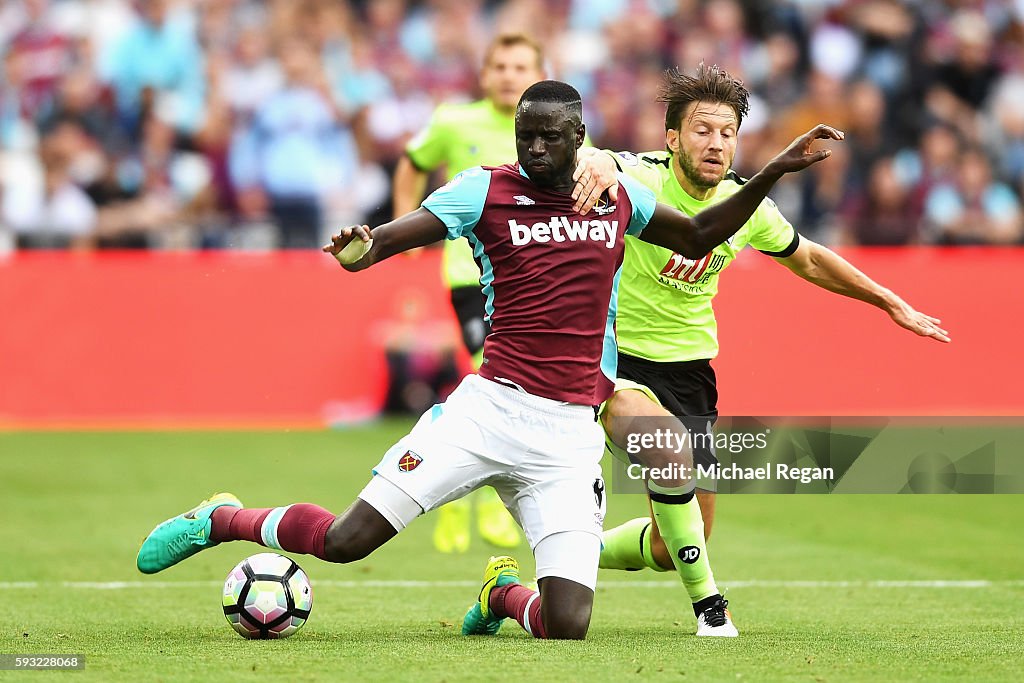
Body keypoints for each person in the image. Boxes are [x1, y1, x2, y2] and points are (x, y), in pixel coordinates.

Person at [136, 80, 842, 640]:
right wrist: (364, 245)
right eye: (525, 134)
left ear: (579, 138)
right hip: (487, 412)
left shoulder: (616, 194)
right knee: (347, 540)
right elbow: (391, 238)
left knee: (568, 623)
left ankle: (502, 594)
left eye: (550, 136)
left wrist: (776, 167)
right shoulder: (484, 188)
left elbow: (698, 236)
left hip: (568, 437)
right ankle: (223, 518)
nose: (534, 147)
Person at [568, 64, 949, 633]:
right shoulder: (640, 179)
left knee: (677, 546)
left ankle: (568, 554)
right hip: (618, 363)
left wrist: (889, 301)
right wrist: (593, 157)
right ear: (671, 138)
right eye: (702, 130)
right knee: (664, 448)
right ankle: (711, 610)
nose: (716, 142)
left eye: (727, 132)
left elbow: (811, 258)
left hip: (691, 374)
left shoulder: (745, 206)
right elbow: (595, 162)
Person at [391, 33, 548, 553]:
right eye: (499, 65)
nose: (508, 74)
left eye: (520, 65)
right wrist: (406, 225)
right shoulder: (455, 122)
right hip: (470, 273)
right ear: (484, 75)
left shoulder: (556, 129)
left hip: (534, 278)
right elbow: (413, 161)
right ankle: (463, 499)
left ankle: (477, 494)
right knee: (494, 378)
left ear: (539, 73)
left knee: (509, 388)